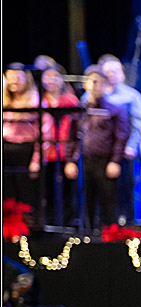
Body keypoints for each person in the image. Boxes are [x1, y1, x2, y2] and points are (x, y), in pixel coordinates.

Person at [63, 67, 129, 231]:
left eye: (98, 82)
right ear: (85, 84)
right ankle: (88, 234)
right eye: (91, 81)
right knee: (86, 200)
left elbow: (120, 137)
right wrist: (70, 161)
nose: (95, 85)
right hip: (85, 160)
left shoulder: (114, 109)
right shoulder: (80, 110)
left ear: (106, 85)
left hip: (105, 160)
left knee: (108, 201)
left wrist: (115, 161)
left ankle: (111, 235)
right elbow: (72, 138)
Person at [94, 55, 141, 225]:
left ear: (122, 74)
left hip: (122, 152)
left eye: (115, 71)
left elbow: (139, 125)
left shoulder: (131, 96)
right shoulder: (92, 96)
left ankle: (126, 227)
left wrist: (131, 146)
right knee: (102, 194)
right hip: (99, 154)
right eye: (107, 72)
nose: (111, 75)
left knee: (124, 193)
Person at [39, 63, 80, 226]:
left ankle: (67, 225)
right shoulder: (40, 100)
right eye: (47, 77)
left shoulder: (71, 101)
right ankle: (48, 224)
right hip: (46, 153)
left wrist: (72, 159)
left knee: (67, 192)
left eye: (55, 77)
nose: (51, 81)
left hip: (65, 154)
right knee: (47, 191)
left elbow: (76, 132)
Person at [2, 63, 41, 219]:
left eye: (18, 77)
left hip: (26, 149)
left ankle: (28, 223)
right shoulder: (5, 100)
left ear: (26, 79)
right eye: (10, 77)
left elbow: (41, 133)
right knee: (7, 190)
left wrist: (36, 159)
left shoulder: (34, 101)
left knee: (25, 190)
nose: (14, 81)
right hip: (6, 147)